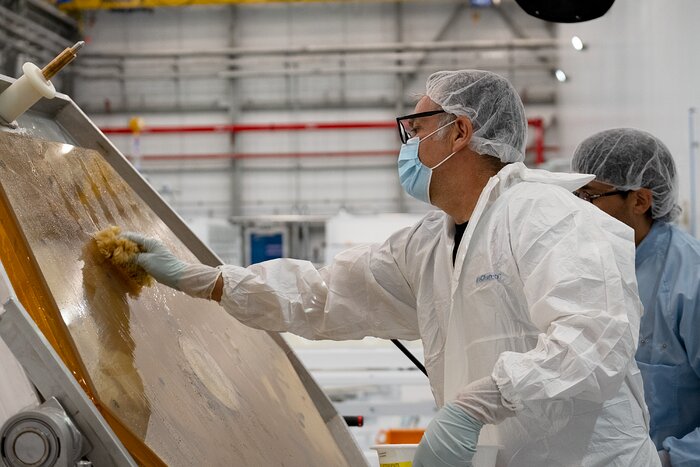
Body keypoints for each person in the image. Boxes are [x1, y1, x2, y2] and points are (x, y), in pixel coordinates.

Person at [122, 70, 659, 466]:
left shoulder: (548, 216)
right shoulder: (431, 243)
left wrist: (474, 405)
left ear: (459, 132)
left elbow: (595, 341)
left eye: (415, 127)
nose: (406, 145)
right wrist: (209, 279)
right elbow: (326, 294)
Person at [572, 128, 700, 467]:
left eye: (590, 198)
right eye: (575, 197)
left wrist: (668, 460)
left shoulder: (691, 281)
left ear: (640, 200)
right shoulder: (583, 265)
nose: (578, 210)